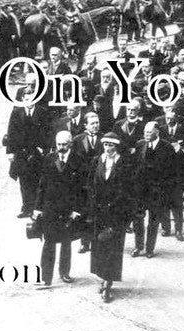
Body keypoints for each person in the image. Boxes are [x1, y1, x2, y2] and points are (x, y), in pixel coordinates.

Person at [32, 131, 86, 287]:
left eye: (64, 144)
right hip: (50, 209)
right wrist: (37, 208)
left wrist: (77, 210)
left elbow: (82, 189)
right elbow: (42, 185)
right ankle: (46, 278)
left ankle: (65, 273)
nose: (61, 147)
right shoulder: (49, 159)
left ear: (71, 144)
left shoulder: (78, 160)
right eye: (58, 144)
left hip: (69, 209)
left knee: (66, 243)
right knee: (48, 243)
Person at [88, 132, 131, 302]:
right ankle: (103, 277)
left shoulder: (124, 163)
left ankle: (108, 283)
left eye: (111, 145)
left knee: (113, 247)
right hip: (99, 212)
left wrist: (119, 208)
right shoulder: (97, 161)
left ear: (117, 146)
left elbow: (127, 189)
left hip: (116, 213)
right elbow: (90, 185)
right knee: (99, 246)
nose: (108, 148)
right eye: (105, 145)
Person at [5, 74, 54, 218]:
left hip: (37, 152)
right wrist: (10, 152)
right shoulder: (16, 113)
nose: (29, 102)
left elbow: (48, 133)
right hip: (21, 153)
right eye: (26, 100)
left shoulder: (42, 112)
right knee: (24, 181)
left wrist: (45, 149)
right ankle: (26, 207)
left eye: (32, 99)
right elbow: (11, 132)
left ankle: (37, 208)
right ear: (23, 100)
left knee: (38, 180)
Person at [134, 121, 176, 258]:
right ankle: (138, 246)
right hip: (141, 190)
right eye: (145, 132)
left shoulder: (167, 147)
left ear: (157, 132)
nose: (146, 134)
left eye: (149, 132)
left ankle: (149, 249)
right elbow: (135, 167)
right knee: (138, 219)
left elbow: (172, 171)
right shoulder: (140, 145)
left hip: (157, 191)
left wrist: (166, 190)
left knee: (153, 220)